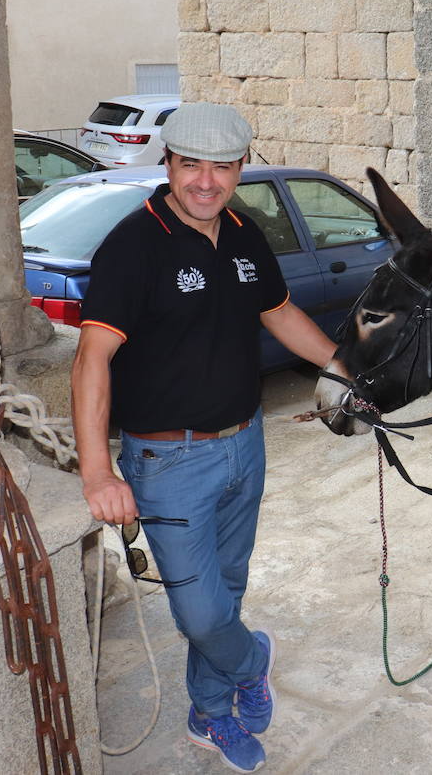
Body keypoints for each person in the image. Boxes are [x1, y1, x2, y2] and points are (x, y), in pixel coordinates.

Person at [72, 102, 336, 773]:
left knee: (228, 589)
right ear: (169, 163)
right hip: (167, 461)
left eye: (222, 168)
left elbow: (279, 314)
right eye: (192, 165)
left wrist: (344, 369)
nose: (206, 182)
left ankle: (210, 715)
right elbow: (92, 359)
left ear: (241, 169)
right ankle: (253, 661)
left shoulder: (246, 234)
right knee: (199, 614)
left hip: (246, 445)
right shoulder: (133, 247)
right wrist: (99, 473)